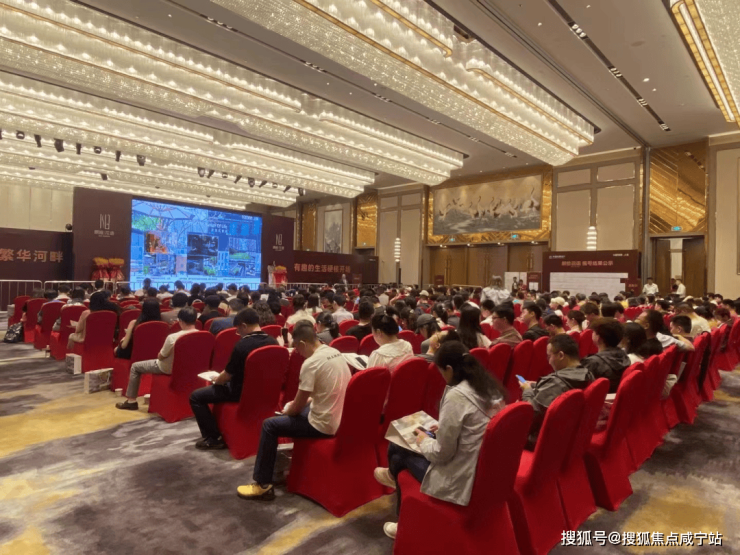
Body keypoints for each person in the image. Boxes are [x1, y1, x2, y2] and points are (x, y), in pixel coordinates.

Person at [374, 341, 506, 539]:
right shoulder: (486, 385)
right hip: (480, 466)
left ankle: (403, 521)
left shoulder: (457, 395)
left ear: (449, 369)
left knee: (399, 453)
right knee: (399, 447)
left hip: (460, 477)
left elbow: (441, 454)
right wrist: (442, 429)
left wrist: (422, 440)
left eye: (441, 372)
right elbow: (472, 424)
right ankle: (393, 477)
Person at [237, 322, 351, 501]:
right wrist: (296, 406)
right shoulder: (335, 352)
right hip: (341, 417)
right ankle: (278, 468)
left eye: (297, 348)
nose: (297, 352)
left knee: (270, 425)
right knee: (294, 413)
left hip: (323, 425)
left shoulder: (311, 363)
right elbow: (323, 392)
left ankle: (262, 484)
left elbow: (297, 406)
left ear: (303, 343)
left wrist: (288, 411)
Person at [189, 308, 279, 449]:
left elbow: (227, 376)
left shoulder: (242, 345)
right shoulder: (273, 341)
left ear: (244, 326)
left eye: (238, 329)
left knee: (196, 397)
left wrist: (216, 379)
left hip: (240, 392)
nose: (238, 333)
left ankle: (213, 438)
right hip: (265, 390)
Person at [116, 307, 199, 410]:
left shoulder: (173, 337)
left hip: (167, 368)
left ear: (180, 321)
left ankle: (131, 401)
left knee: (135, 367)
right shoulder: (202, 335)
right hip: (190, 368)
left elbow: (161, 356)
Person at [520, 334, 594, 448]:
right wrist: (538, 385)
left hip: (544, 441)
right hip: (570, 436)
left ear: (560, 355)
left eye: (549, 356)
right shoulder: (588, 375)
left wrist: (527, 390)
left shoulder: (556, 381)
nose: (549, 362)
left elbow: (530, 416)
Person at [581, 318, 631, 393]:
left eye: (593, 332)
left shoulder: (592, 362)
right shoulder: (624, 355)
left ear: (598, 338)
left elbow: (580, 389)